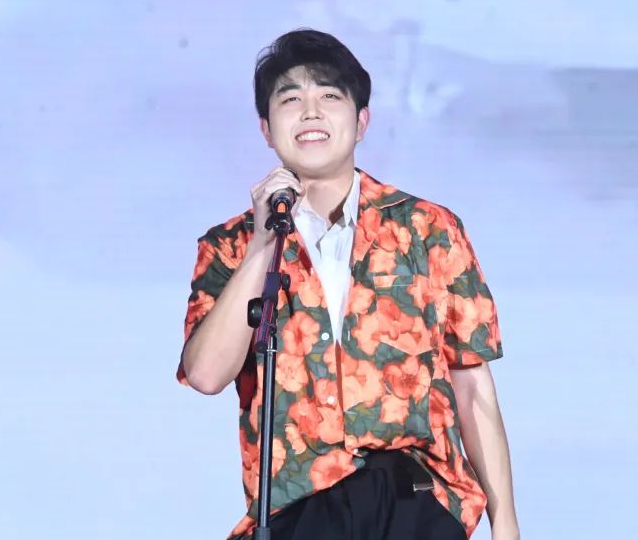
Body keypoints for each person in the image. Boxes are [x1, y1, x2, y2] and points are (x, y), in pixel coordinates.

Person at [177, 29, 519, 540]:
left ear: (361, 121)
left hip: (416, 497)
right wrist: (263, 245)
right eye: (290, 100)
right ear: (267, 129)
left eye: (329, 97)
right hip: (301, 507)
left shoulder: (428, 229)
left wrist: (505, 523)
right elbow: (206, 374)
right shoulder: (231, 245)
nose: (310, 113)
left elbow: (472, 387)